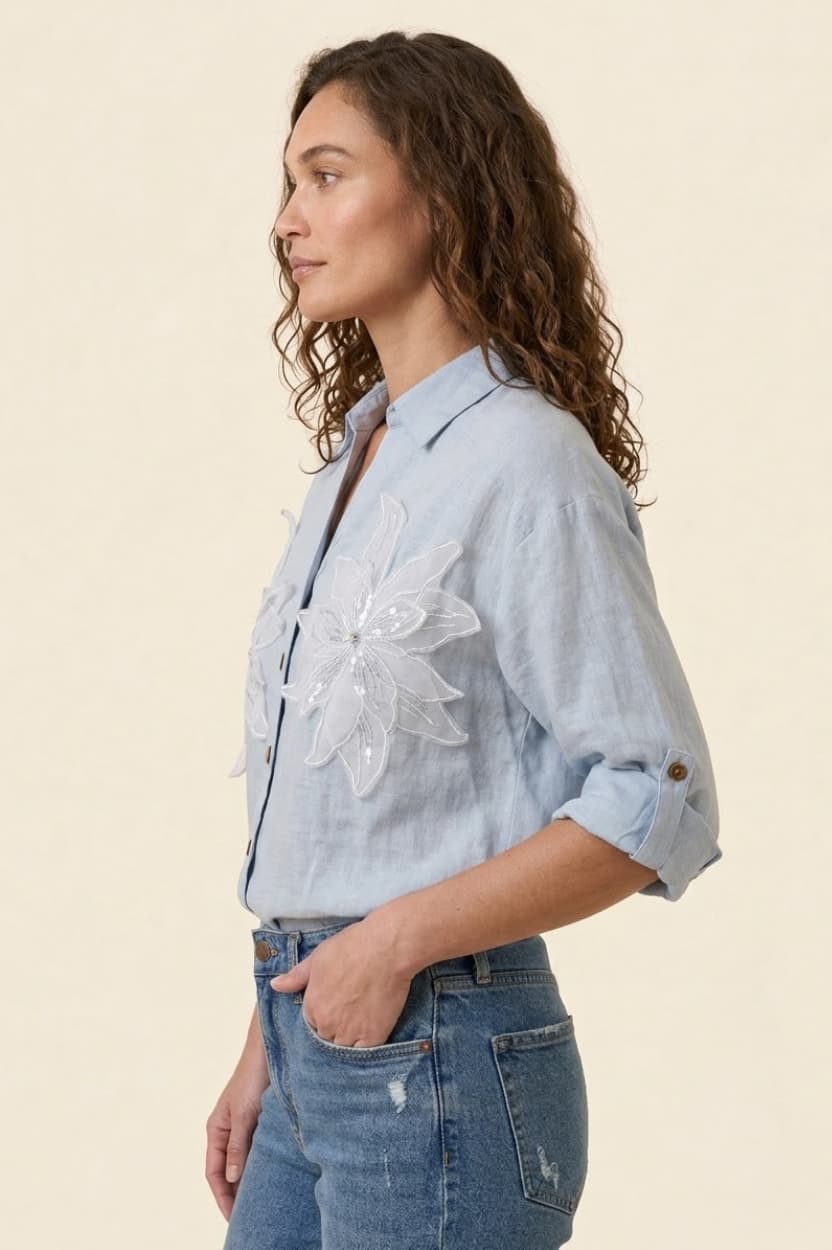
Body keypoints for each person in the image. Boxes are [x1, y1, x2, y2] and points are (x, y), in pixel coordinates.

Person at [206, 29, 723, 1250]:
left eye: (327, 175)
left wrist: (389, 943)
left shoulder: (524, 461)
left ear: (439, 192)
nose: (289, 217)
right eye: (288, 182)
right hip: (313, 1045)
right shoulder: (356, 462)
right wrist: (265, 1044)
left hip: (437, 1053)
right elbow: (346, 820)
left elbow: (655, 793)